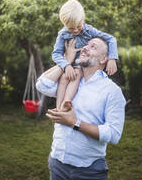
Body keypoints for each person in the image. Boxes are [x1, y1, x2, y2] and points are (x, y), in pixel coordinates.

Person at [36, 37, 126, 180]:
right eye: (85, 45)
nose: (85, 48)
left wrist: (75, 123)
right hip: (57, 163)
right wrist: (65, 60)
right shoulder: (70, 79)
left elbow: (114, 134)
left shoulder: (111, 91)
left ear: (104, 58)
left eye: (93, 47)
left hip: (89, 171)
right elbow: (42, 84)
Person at [51, 0, 118, 110]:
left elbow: (111, 39)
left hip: (81, 64)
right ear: (64, 24)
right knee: (63, 78)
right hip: (67, 64)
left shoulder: (89, 30)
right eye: (71, 28)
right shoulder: (62, 35)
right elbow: (56, 54)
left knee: (76, 74)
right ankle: (58, 108)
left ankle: (66, 102)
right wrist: (66, 65)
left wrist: (112, 58)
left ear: (83, 19)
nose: (76, 30)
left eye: (78, 26)